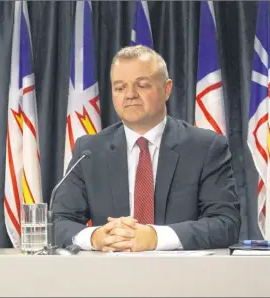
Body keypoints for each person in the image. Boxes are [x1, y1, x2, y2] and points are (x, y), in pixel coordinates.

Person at [53, 45, 240, 252]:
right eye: (120, 88)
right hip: (108, 277)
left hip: (183, 278)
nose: (130, 94)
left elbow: (226, 224)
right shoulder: (89, 151)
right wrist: (96, 237)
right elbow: (59, 222)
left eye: (141, 85)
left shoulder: (206, 147)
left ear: (166, 89)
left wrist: (155, 237)